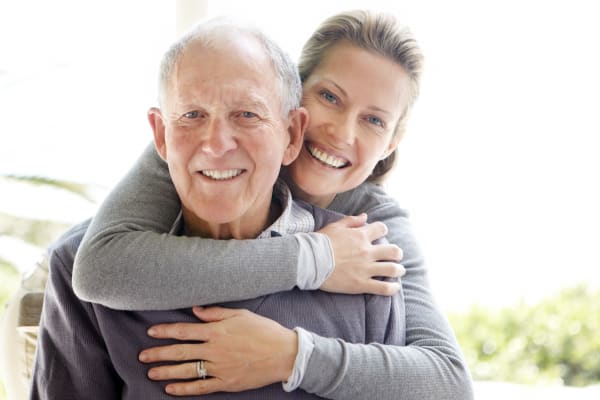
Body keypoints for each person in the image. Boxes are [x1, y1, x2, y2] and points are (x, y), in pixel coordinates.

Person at [69, 9, 474, 400]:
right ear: (294, 96)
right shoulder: (210, 142)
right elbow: (98, 267)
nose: (340, 131)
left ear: (390, 144)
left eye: (374, 120)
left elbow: (448, 383)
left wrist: (291, 357)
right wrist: (317, 259)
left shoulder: (377, 228)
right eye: (330, 97)